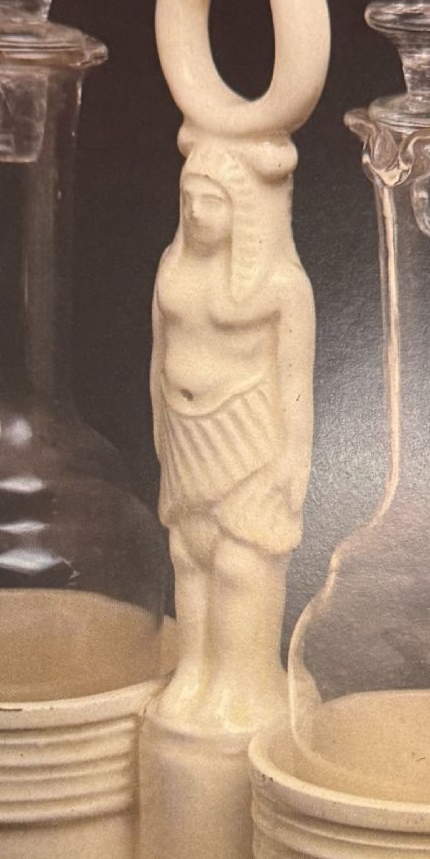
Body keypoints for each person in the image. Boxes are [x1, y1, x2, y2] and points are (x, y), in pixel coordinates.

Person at [150, 136, 314, 729]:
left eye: (213, 201)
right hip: (185, 440)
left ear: (243, 210)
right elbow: (157, 360)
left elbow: (296, 385)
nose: (196, 212)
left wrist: (290, 466)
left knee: (240, 564)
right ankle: (195, 670)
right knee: (188, 555)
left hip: (248, 441)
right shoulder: (172, 269)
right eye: (188, 198)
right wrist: (161, 439)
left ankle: (241, 684)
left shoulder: (281, 287)